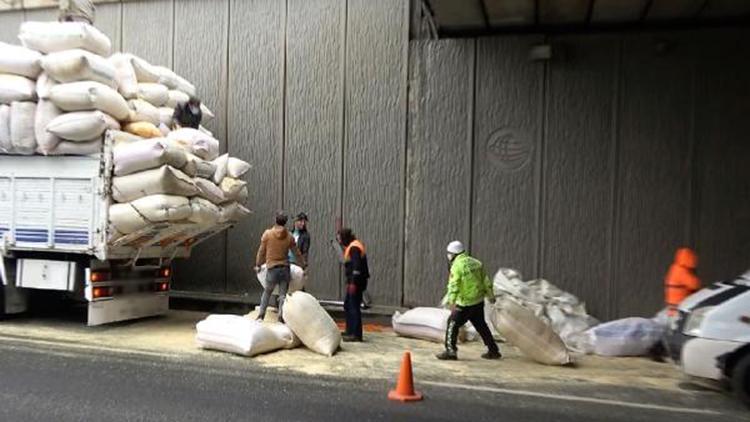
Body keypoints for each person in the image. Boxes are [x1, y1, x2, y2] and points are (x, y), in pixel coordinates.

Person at [436, 241, 501, 361]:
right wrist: (491, 296)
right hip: (478, 302)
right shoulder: (477, 263)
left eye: (449, 254)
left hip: (464, 304)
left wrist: (452, 302)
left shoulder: (456, 266)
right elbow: (486, 281)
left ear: (452, 254)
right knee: (481, 325)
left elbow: (453, 285)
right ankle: (493, 350)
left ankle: (450, 351)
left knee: (452, 324)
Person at [254, 212, 305, 323]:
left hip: (272, 268)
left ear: (275, 220)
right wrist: (303, 265)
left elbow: (261, 251)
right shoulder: (289, 236)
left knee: (267, 292)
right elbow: (297, 253)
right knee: (283, 295)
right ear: (285, 222)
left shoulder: (267, 234)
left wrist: (258, 264)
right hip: (285, 269)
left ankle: (261, 316)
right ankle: (281, 317)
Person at [338, 228, 369, 342]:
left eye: (340, 239)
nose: (340, 242)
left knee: (353, 306)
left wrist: (353, 283)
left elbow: (356, 268)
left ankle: (356, 334)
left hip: (356, 282)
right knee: (348, 305)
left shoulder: (354, 248)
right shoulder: (353, 246)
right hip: (355, 281)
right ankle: (350, 330)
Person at [664, 247, 700, 316]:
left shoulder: (674, 268)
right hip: (680, 304)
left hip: (672, 303)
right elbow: (695, 284)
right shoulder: (682, 271)